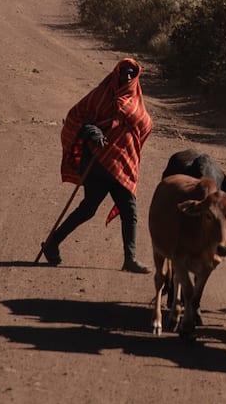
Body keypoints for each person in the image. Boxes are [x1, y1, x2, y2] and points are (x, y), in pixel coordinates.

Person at [41, 57, 154, 272]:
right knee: (89, 209)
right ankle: (52, 243)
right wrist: (92, 130)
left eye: (132, 73)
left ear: (136, 77)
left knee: (128, 210)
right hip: (97, 163)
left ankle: (130, 259)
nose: (127, 77)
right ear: (116, 73)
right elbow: (77, 116)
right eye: (124, 72)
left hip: (122, 165)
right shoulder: (102, 95)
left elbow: (145, 125)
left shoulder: (136, 100)